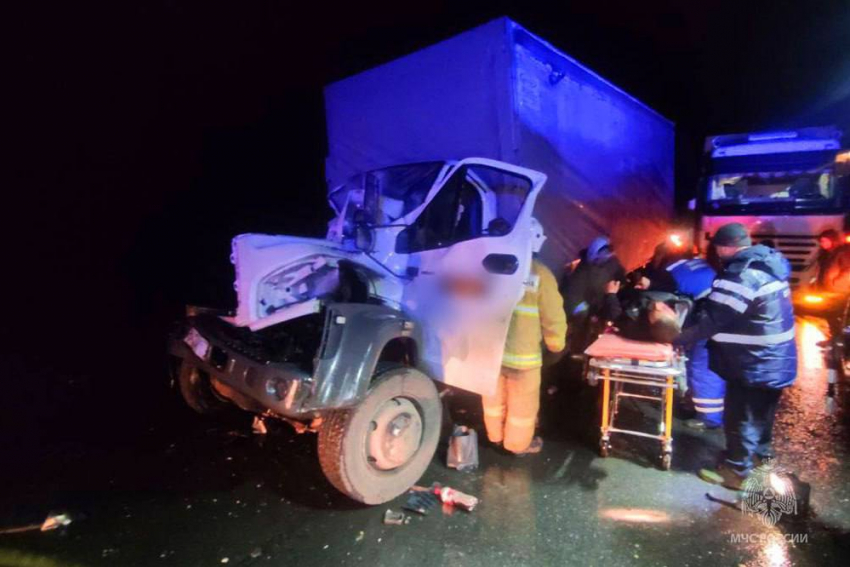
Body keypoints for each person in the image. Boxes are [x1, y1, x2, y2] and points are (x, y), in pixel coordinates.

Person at [673, 222, 797, 489]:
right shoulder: (767, 267)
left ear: (726, 247)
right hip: (775, 361)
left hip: (754, 363)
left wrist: (677, 338)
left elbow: (714, 321)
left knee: (740, 417)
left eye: (718, 247)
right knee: (761, 417)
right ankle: (759, 464)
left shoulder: (740, 276)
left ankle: (736, 474)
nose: (716, 252)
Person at [482, 252, 567, 456]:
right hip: (523, 356)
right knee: (522, 406)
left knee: (493, 399)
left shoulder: (492, 265)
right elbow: (552, 316)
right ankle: (516, 445)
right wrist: (556, 344)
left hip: (492, 353)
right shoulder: (540, 273)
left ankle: (495, 437)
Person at [560, 237, 625, 352]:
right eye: (603, 254)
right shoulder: (582, 269)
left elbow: (619, 281)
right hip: (578, 312)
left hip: (593, 312)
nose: (606, 256)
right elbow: (572, 291)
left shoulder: (612, 266)